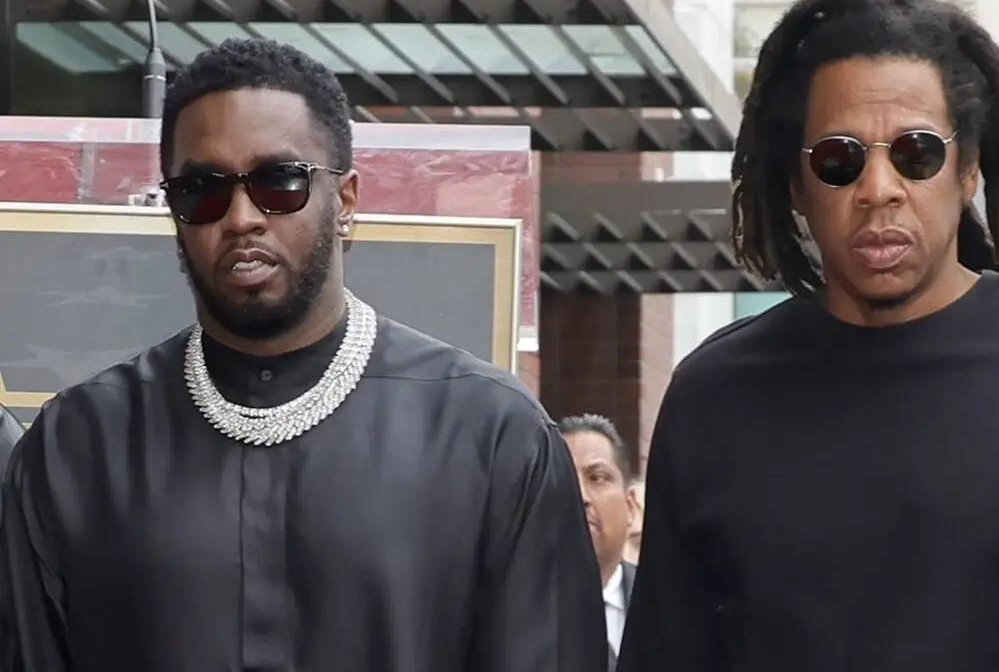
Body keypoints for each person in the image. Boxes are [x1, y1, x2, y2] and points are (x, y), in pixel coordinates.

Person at [616, 0, 999, 671]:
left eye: (917, 152)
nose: (879, 187)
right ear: (798, 183)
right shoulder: (711, 398)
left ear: (967, 167)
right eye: (840, 158)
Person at [0, 37, 606, 672]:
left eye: (278, 182)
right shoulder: (79, 446)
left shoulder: (489, 434)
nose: (240, 218)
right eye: (203, 189)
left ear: (344, 201)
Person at [561, 414, 639, 672]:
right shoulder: (511, 606)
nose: (580, 495)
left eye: (597, 477)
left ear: (630, 507)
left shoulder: (668, 602)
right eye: (565, 478)